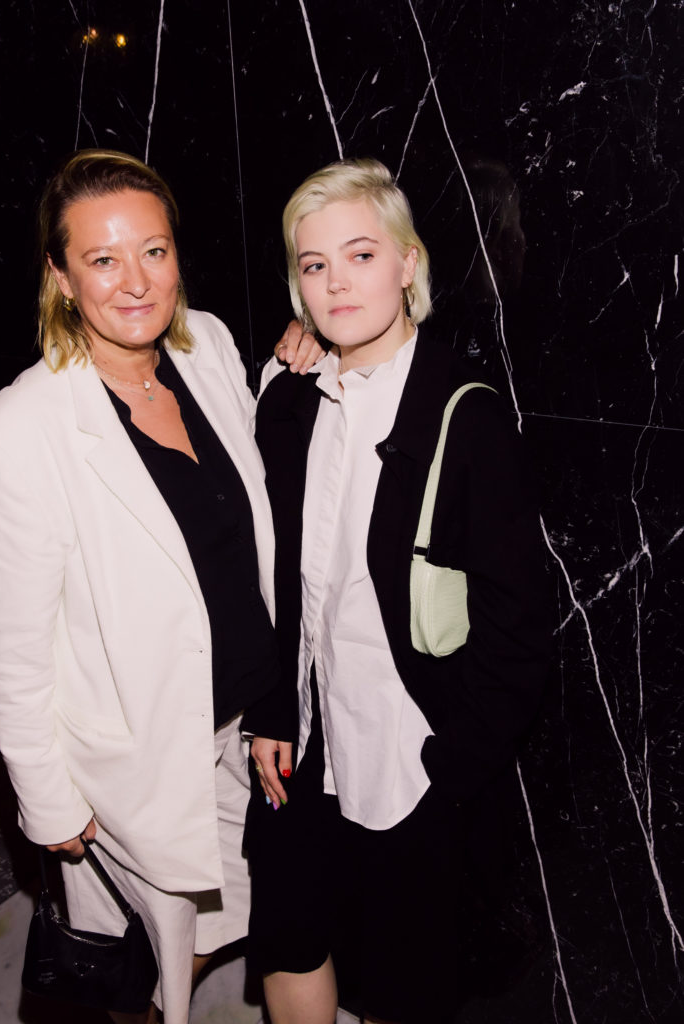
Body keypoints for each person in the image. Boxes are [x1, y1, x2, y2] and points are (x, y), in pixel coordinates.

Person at [0, 148, 318, 1024]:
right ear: (60, 276)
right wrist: (47, 800)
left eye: (153, 251)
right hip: (141, 759)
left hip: (253, 727)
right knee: (156, 952)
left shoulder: (209, 348)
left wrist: (302, 353)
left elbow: (242, 504)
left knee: (235, 922)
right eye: (102, 259)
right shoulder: (19, 433)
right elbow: (11, 652)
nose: (135, 281)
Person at [245, 158, 552, 1024]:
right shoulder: (290, 402)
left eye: (361, 255)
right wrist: (269, 712)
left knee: (400, 981)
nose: (337, 282)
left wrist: (449, 767)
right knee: (289, 939)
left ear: (407, 263)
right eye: (314, 264)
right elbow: (272, 582)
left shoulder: (464, 413)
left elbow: (518, 628)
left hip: (407, 759)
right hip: (301, 746)